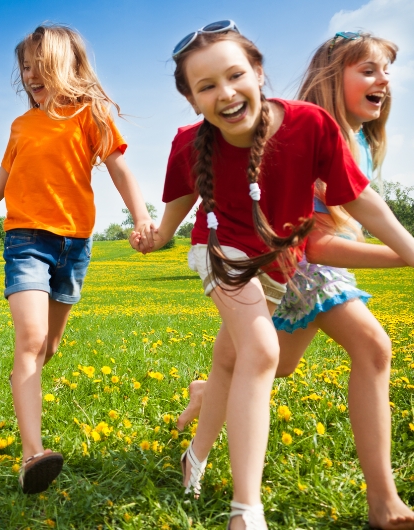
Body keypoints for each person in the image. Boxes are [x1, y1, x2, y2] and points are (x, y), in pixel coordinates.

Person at [138, 22, 414, 530]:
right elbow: (179, 202)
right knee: (261, 352)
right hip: (221, 251)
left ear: (259, 72)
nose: (225, 93)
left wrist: (409, 249)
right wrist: (157, 236)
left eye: (235, 75)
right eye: (206, 87)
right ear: (192, 100)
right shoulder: (187, 144)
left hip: (279, 259)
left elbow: (359, 199)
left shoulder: (310, 125)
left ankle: (194, 458)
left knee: (232, 360)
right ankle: (246, 511)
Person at [0, 24, 153, 495]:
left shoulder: (92, 116)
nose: (30, 74)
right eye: (25, 67)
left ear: (65, 66)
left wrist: (141, 217)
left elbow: (119, 168)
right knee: (29, 339)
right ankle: (34, 454)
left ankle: (20, 386)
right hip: (26, 239)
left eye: (39, 64)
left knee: (47, 347)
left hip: (75, 243)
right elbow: (3, 183)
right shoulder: (21, 126)